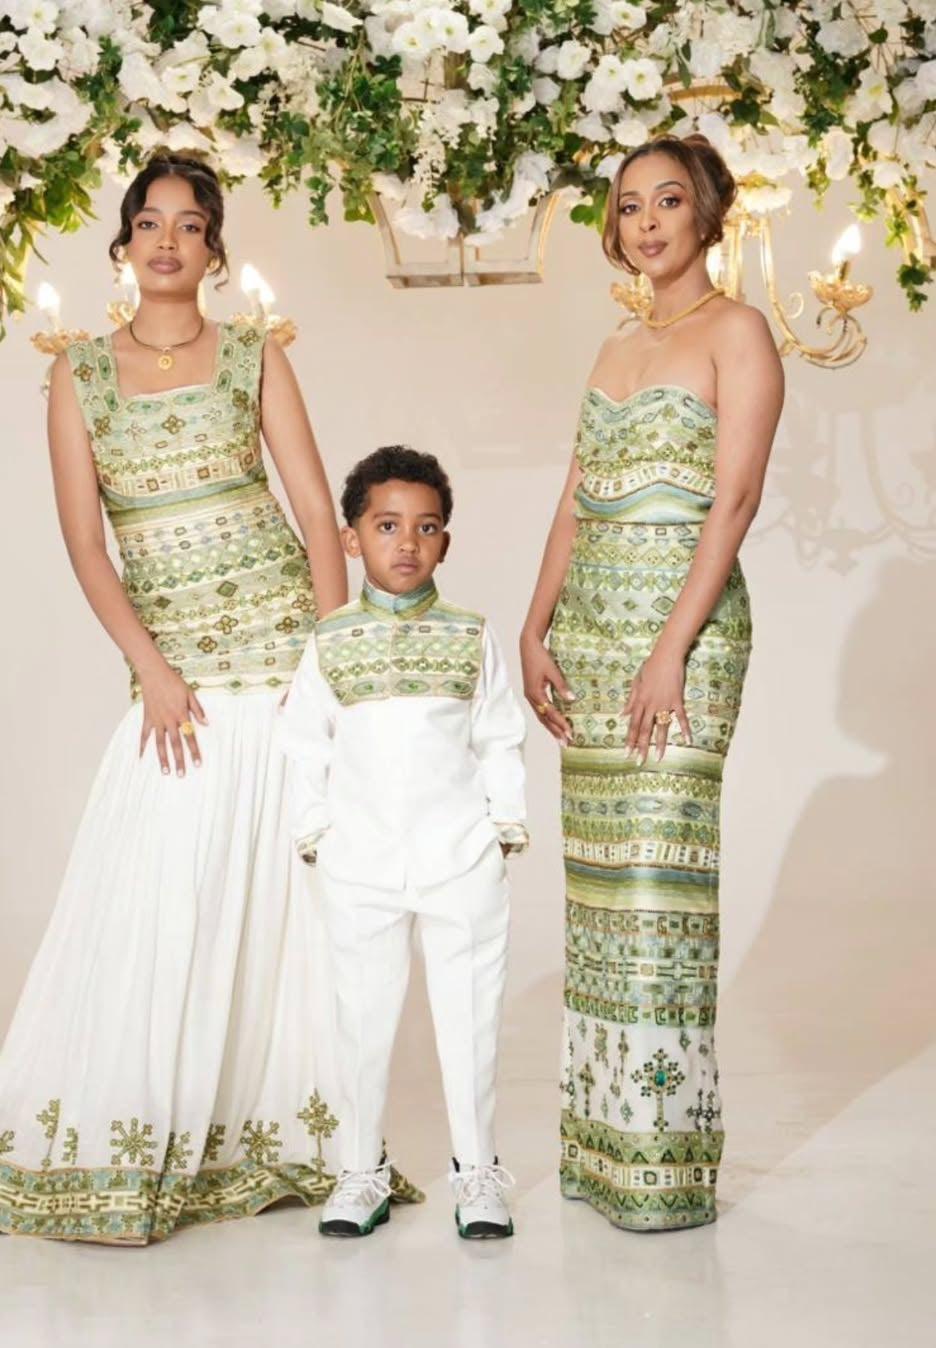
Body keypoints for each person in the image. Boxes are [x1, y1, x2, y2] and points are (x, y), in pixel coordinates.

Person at [0, 152, 353, 1244]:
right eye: (151, 222)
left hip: (281, 657)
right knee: (162, 889)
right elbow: (86, 543)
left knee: (281, 899)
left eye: (193, 224)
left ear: (216, 249)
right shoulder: (77, 374)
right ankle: (140, 1129)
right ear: (123, 245)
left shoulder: (257, 355)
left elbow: (316, 516)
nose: (170, 241)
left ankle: (272, 1136)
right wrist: (153, 671)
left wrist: (331, 667)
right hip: (178, 675)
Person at [520, 136, 783, 1231]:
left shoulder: (740, 333)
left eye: (669, 200)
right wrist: (537, 626)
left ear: (708, 212)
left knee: (657, 886)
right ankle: (603, 1149)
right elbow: (577, 499)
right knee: (597, 897)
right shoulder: (616, 342)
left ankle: (667, 1166)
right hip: (590, 632)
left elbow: (733, 503)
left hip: (685, 630)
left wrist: (672, 646)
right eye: (631, 206)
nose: (648, 222)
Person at [280, 447, 529, 1240]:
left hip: (459, 857)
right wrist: (317, 835)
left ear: (446, 543)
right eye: (387, 526)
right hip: (360, 862)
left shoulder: (470, 635)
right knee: (359, 1016)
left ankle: (478, 1172)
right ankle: (361, 1171)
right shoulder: (331, 641)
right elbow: (304, 744)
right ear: (353, 539)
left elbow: (498, 736)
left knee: (471, 1014)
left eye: (426, 528)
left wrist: (500, 831)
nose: (407, 544)